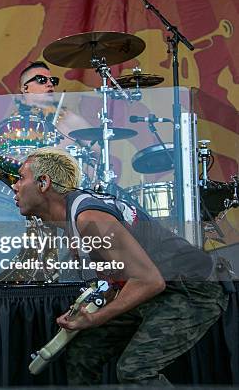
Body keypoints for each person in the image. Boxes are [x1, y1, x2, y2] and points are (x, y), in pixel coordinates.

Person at [12, 147, 229, 385]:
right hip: (159, 288)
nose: (15, 185)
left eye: (21, 178)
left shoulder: (89, 220)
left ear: (44, 183)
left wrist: (97, 318)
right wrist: (85, 310)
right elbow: (116, 277)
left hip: (193, 290)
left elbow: (149, 280)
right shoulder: (74, 223)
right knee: (83, 353)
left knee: (135, 370)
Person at [0, 61, 94, 175]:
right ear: (25, 88)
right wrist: (13, 163)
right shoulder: (12, 123)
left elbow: (98, 152)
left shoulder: (67, 117)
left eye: (53, 81)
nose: (50, 84)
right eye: (42, 80)